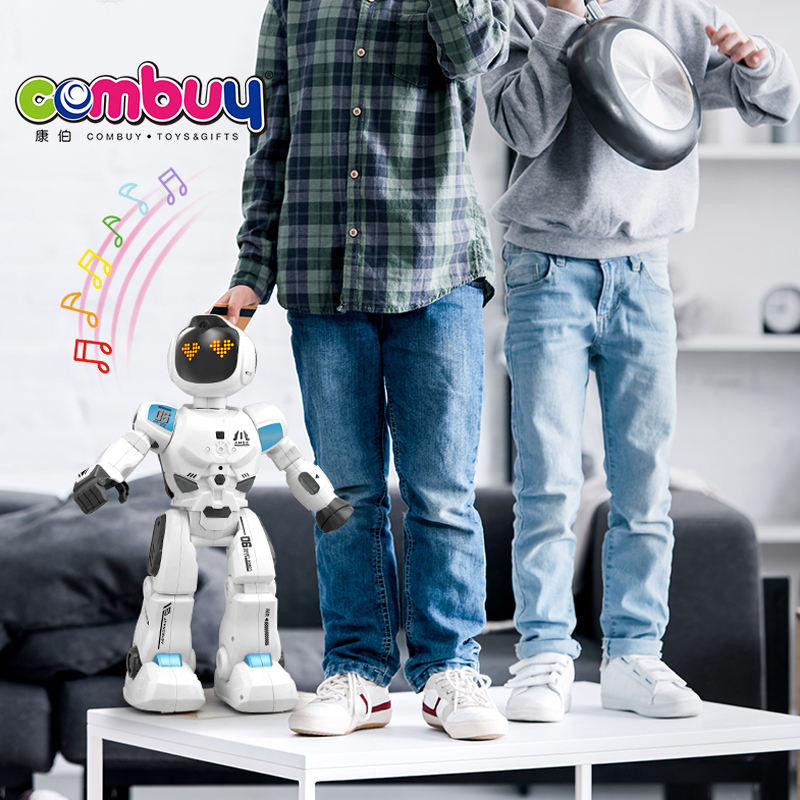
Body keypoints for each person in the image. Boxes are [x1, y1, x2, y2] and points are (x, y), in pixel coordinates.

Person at [482, 0, 799, 721]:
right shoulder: (518, 12)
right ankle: (544, 655)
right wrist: (563, 20)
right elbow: (522, 125)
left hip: (645, 271)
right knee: (548, 481)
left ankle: (634, 655)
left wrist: (755, 60)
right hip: (545, 268)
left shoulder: (677, 14)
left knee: (645, 483)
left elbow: (773, 100)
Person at [215, 0, 512, 740]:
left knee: (441, 493)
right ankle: (358, 673)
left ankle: (449, 671)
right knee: (344, 494)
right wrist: (252, 268)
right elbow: (270, 131)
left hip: (436, 265)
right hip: (321, 273)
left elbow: (472, 55)